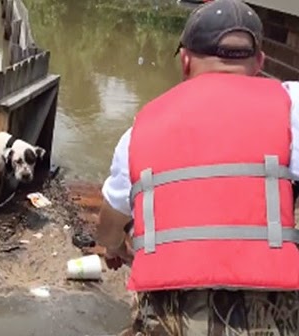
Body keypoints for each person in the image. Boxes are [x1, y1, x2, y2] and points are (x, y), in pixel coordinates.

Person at [96, 0, 299, 334]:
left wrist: (116, 245)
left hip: (172, 316)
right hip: (271, 314)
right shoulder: (290, 106)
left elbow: (109, 224)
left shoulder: (140, 131)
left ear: (186, 62)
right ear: (260, 62)